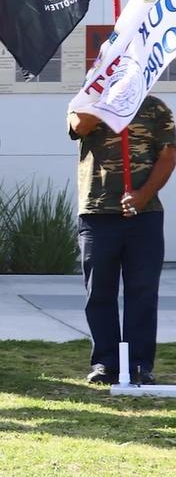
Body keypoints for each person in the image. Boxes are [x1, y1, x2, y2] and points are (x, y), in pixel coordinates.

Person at [69, 97, 176, 385]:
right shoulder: (86, 101)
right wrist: (107, 100)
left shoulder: (156, 108)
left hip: (144, 214)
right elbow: (80, 126)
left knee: (142, 292)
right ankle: (106, 363)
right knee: (99, 292)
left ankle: (140, 364)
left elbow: (168, 155)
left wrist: (143, 195)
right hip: (97, 213)